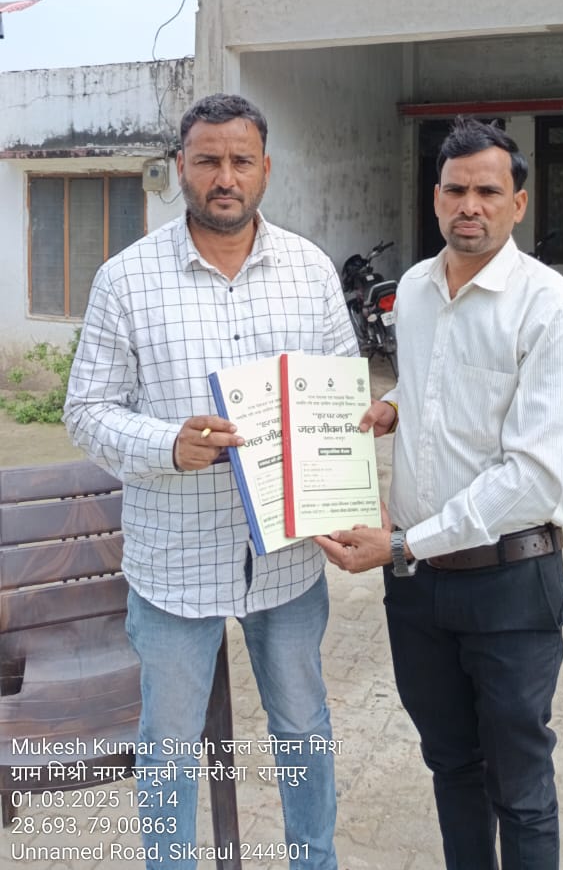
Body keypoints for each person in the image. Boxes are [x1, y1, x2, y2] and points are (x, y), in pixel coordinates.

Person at [64, 93, 357, 870]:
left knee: (302, 727)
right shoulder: (125, 280)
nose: (224, 177)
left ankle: (314, 860)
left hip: (287, 559)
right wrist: (168, 443)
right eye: (207, 161)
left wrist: (344, 487)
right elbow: (85, 412)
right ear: (180, 168)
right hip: (175, 562)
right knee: (168, 745)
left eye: (239, 161)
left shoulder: (310, 271)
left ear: (265, 168)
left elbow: (339, 395)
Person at [316, 118, 563, 870]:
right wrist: (394, 405)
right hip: (417, 590)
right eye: (454, 189)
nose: (469, 205)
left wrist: (403, 543)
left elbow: (532, 475)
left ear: (518, 203)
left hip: (508, 583)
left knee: (520, 787)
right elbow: (432, 378)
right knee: (450, 764)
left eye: (487, 191)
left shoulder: (552, 310)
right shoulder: (412, 288)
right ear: (436, 196)